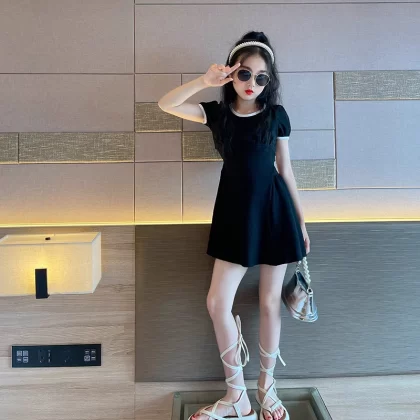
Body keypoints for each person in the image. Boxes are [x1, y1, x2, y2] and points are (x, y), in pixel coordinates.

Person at [158, 31, 310, 420]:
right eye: (244, 73)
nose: (252, 83)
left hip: (275, 213)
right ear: (231, 73)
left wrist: (301, 222)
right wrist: (204, 81)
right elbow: (166, 104)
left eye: (261, 77)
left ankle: (267, 388)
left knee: (269, 302)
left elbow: (285, 170)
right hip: (234, 215)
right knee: (216, 303)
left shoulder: (276, 115)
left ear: (269, 81)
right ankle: (236, 395)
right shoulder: (218, 114)